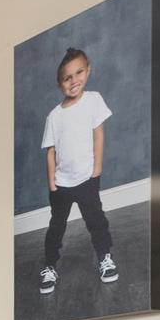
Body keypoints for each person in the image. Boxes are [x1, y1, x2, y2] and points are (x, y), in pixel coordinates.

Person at [39, 47, 115, 294]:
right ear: (59, 83)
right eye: (67, 78)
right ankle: (50, 266)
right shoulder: (54, 116)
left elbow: (99, 135)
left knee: (96, 221)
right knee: (56, 228)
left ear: (88, 70)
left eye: (79, 73)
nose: (74, 81)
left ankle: (104, 257)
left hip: (86, 179)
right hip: (61, 184)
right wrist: (52, 183)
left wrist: (96, 170)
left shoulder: (93, 100)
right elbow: (50, 151)